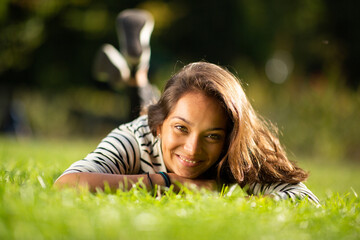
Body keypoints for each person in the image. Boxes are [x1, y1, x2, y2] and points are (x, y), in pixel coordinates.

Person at [55, 9, 319, 205]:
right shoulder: (136, 136)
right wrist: (169, 182)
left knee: (158, 104)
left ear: (229, 136)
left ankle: (135, 75)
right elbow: (67, 184)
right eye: (181, 128)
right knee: (149, 106)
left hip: (163, 112)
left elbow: (306, 201)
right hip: (150, 120)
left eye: (213, 135)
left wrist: (231, 203)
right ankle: (138, 76)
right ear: (158, 127)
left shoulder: (241, 147)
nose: (193, 149)